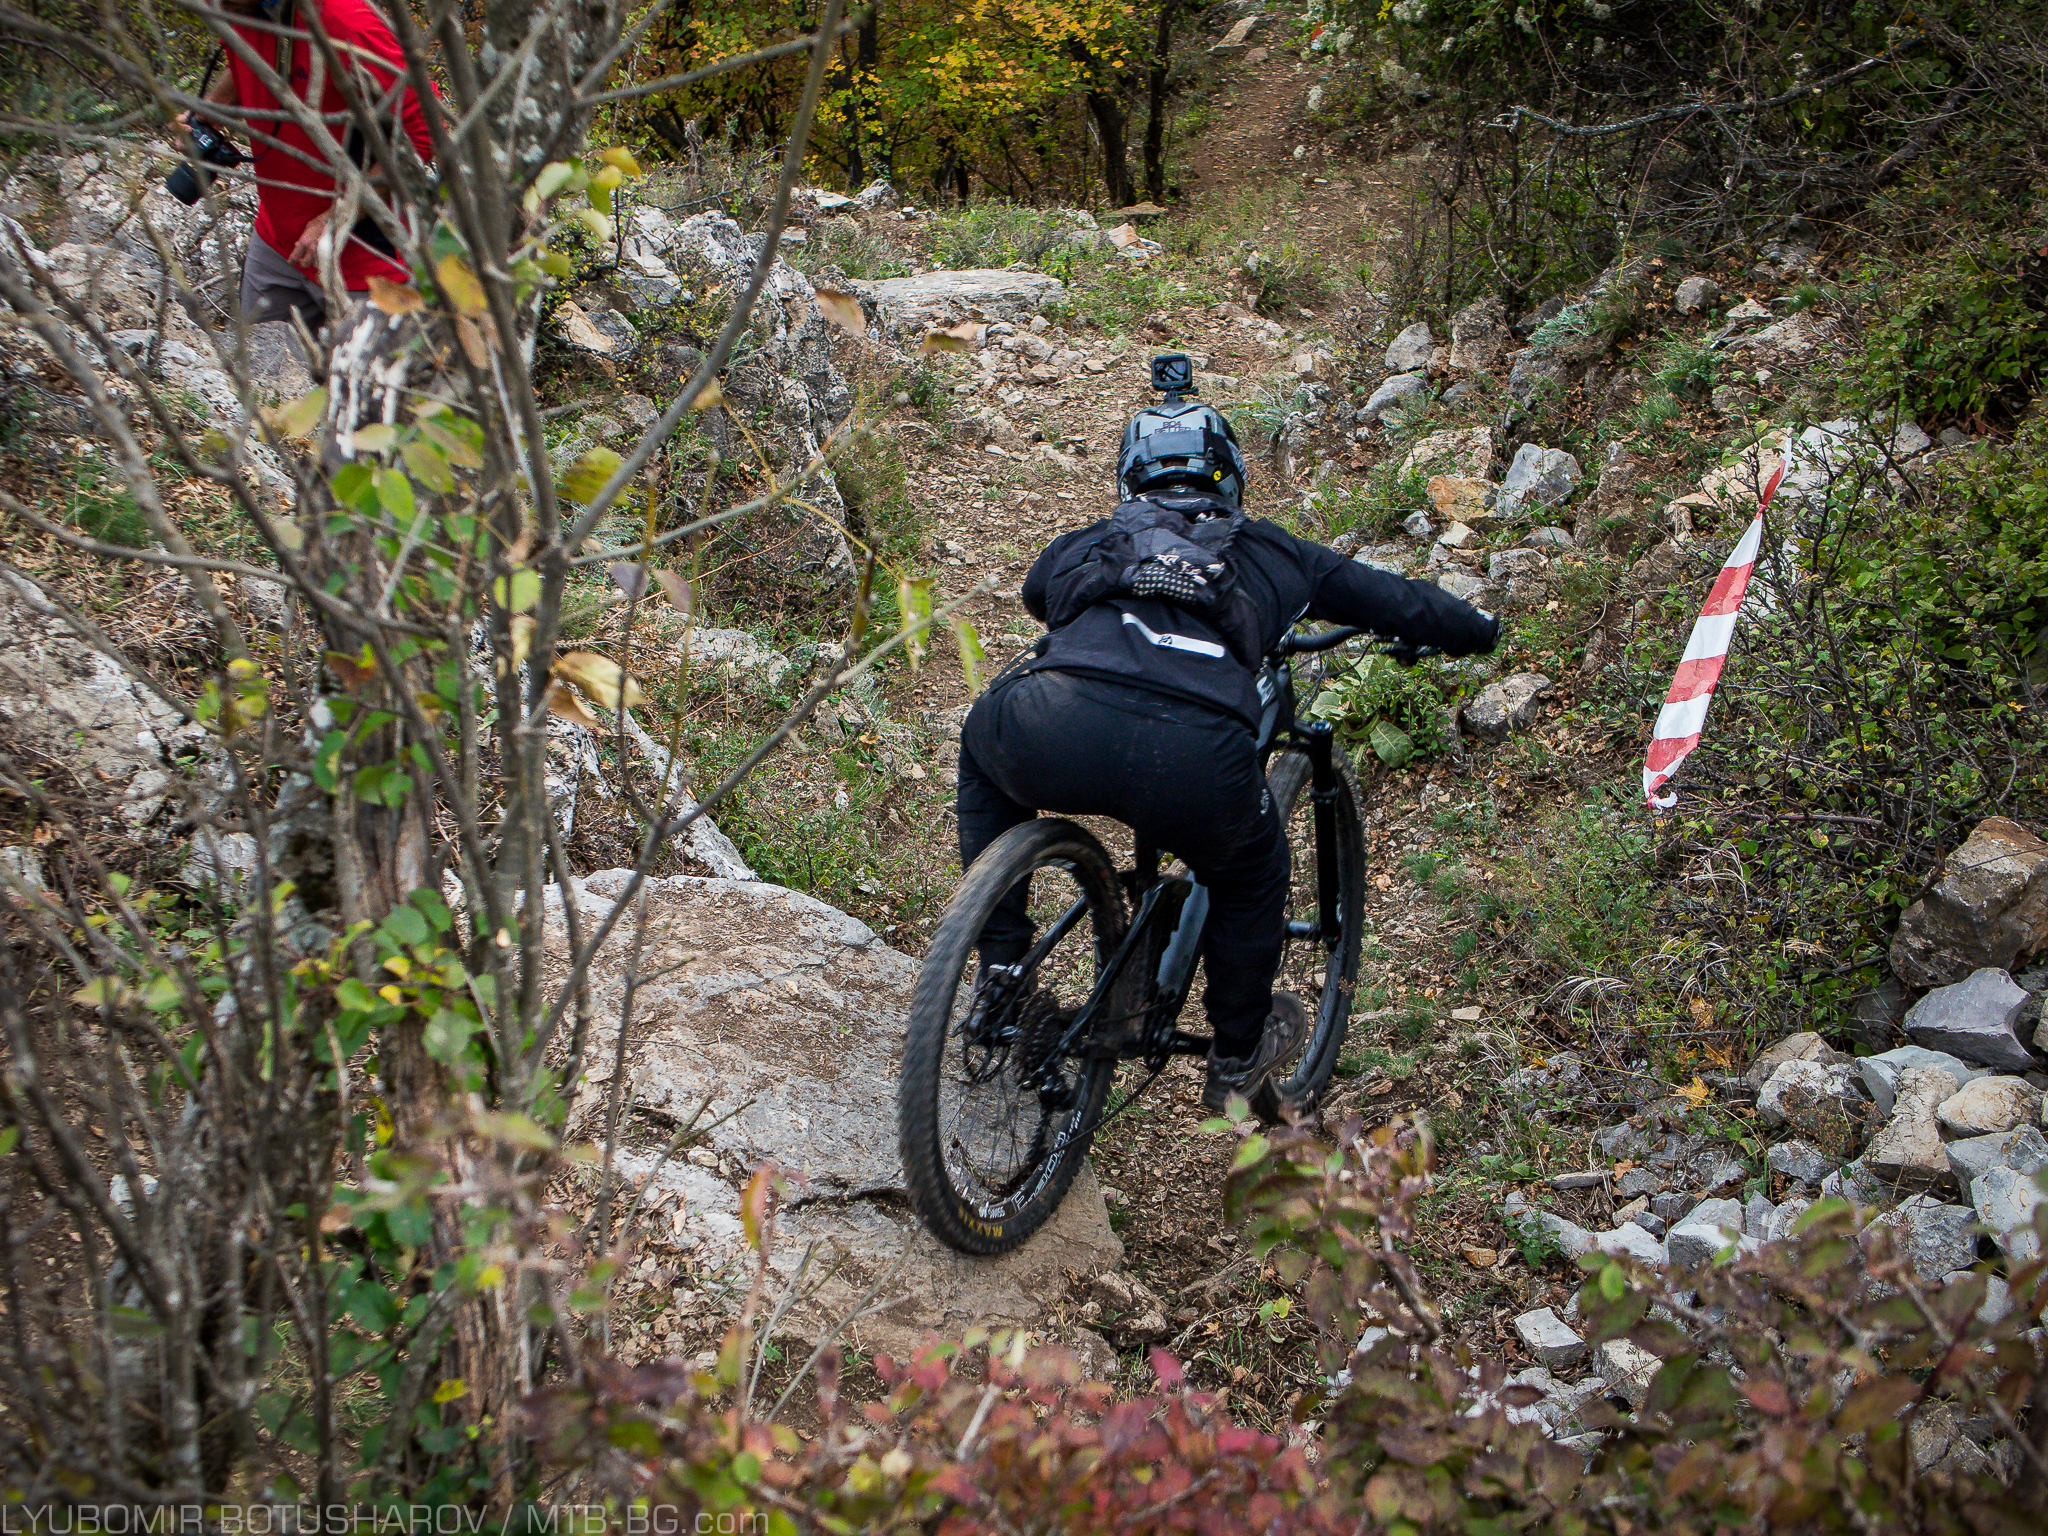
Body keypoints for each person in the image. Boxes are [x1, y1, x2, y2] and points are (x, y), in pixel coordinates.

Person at [955, 358, 1501, 1112]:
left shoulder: (1095, 537)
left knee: (983, 748)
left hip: (1051, 722)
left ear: (1129, 478)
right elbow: (1394, 600)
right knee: (1250, 869)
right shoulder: (1275, 552)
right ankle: (1238, 1053)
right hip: (1196, 755)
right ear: (1232, 474)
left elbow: (1039, 595)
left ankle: (1002, 969)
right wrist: (1477, 630)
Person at [177, 0, 436, 330]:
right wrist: (213, 108)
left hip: (370, 263)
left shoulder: (347, 24)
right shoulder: (239, 8)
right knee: (250, 360)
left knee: (365, 366)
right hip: (276, 244)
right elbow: (248, 52)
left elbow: (425, 131)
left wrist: (336, 217)